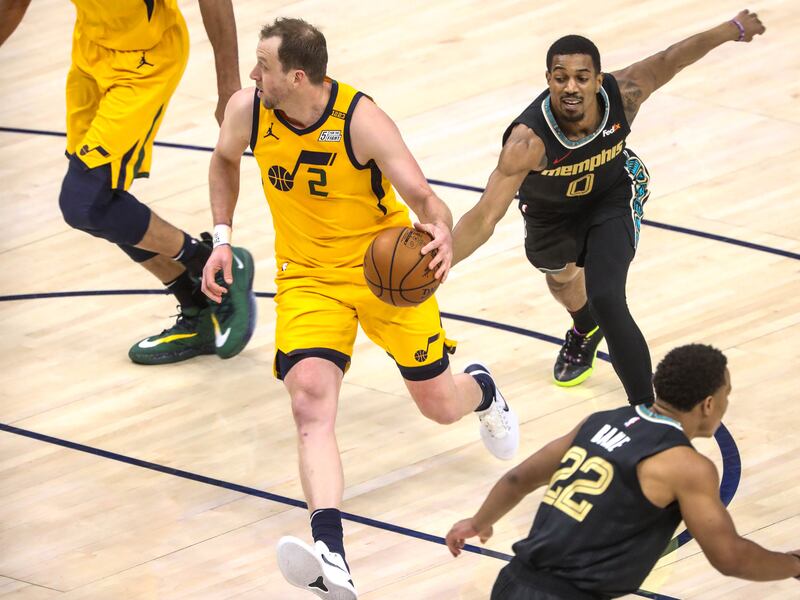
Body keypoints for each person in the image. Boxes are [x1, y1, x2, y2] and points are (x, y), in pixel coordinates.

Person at [201, 17, 520, 600]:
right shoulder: (248, 109)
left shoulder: (361, 121)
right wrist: (221, 238)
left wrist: (442, 230)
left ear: (296, 76)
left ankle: (483, 389)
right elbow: (223, 161)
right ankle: (331, 555)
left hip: (384, 271)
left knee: (441, 406)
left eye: (264, 66)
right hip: (307, 278)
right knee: (309, 399)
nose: (253, 74)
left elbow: (422, 195)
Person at [451, 10, 765, 403]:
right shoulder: (526, 142)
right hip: (551, 213)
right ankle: (584, 328)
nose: (571, 87)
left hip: (611, 195)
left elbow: (673, 57)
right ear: (548, 80)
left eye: (582, 77)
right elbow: (484, 216)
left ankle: (647, 413)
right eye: (560, 77)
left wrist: (732, 29)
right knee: (562, 279)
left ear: (598, 80)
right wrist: (441, 261)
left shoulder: (625, 93)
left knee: (606, 296)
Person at [0, 0, 256, 364]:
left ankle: (207, 263)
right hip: (91, 53)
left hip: (145, 63)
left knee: (84, 203)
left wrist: (228, 85)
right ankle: (197, 302)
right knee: (102, 203)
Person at [447, 343, 800, 598]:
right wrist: (793, 565)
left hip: (512, 583)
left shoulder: (600, 421)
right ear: (709, 404)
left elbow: (518, 478)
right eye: (727, 394)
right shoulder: (687, 466)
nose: (726, 403)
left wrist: (478, 521)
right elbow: (730, 557)